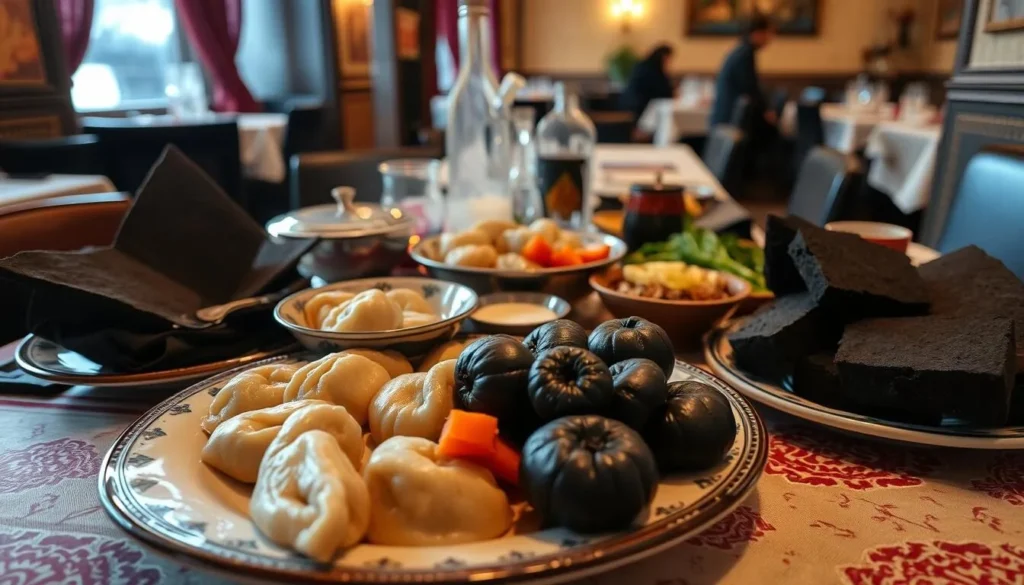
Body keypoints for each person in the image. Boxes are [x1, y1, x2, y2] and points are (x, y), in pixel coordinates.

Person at [709, 14, 776, 135]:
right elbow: (749, 87)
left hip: (725, 116)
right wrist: (765, 110)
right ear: (757, 33)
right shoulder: (745, 54)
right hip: (729, 119)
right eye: (769, 33)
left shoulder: (740, 51)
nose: (771, 38)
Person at [622, 45, 675, 125]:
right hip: (640, 107)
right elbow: (663, 91)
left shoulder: (642, 65)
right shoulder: (654, 70)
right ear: (664, 56)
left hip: (631, 103)